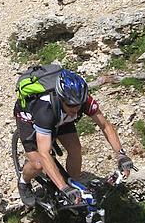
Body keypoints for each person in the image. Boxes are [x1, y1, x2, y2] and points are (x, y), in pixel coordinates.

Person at [14, 68, 134, 207]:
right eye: (71, 105)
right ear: (61, 97)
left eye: (79, 105)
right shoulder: (44, 109)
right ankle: (24, 182)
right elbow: (44, 153)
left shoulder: (82, 100)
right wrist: (63, 188)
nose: (76, 109)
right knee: (39, 164)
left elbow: (105, 126)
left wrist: (121, 155)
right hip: (30, 119)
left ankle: (75, 186)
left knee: (76, 150)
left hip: (62, 117)